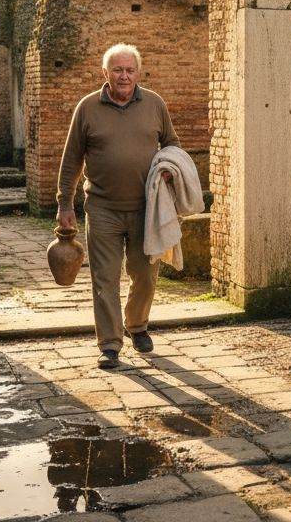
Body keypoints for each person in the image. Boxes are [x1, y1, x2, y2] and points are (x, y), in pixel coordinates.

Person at [57, 43, 180, 369]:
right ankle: (110, 344)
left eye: (129, 70)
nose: (123, 76)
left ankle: (137, 325)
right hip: (102, 208)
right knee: (104, 279)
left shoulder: (155, 104)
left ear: (138, 73)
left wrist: (169, 168)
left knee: (145, 275)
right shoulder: (87, 108)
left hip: (146, 208)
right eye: (117, 70)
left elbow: (172, 144)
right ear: (105, 73)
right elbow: (71, 160)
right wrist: (64, 204)